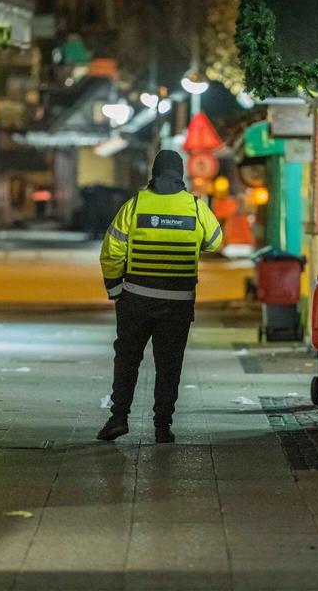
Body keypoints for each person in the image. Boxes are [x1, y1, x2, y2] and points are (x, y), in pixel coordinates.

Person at [97, 150, 223, 443]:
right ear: (181, 174)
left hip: (136, 299)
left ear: (153, 173)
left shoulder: (135, 205)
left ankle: (119, 417)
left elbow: (112, 251)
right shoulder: (195, 207)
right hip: (178, 302)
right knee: (169, 364)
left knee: (127, 358)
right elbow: (215, 241)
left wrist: (115, 290)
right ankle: (163, 426)